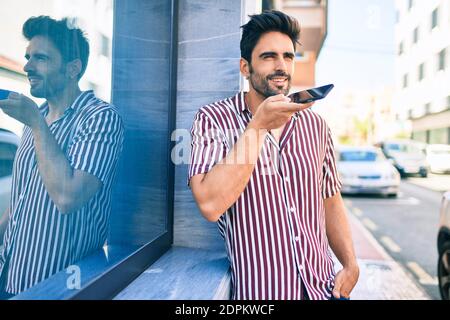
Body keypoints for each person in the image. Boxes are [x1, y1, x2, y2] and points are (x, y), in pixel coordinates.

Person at [188, 10, 359, 300]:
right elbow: (210, 204)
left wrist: (350, 263)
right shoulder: (212, 120)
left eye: (288, 56)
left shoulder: (315, 125)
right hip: (262, 293)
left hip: (323, 289)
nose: (281, 66)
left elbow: (329, 199)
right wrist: (258, 127)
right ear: (245, 67)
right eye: (268, 57)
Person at [0, 16, 124, 298]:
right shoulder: (37, 118)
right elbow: (21, 201)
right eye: (28, 57)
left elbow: (68, 197)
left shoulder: (100, 118)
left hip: (60, 288)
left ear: (73, 69)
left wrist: (35, 122)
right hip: (10, 278)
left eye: (40, 58)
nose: (28, 66)